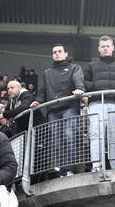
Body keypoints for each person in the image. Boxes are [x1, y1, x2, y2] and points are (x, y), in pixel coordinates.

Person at [30, 44, 85, 177]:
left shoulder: (74, 67)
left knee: (69, 137)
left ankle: (68, 169)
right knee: (57, 141)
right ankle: (62, 170)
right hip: (53, 110)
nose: (57, 54)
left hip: (69, 107)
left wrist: (79, 89)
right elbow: (42, 91)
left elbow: (79, 81)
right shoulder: (47, 72)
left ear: (66, 54)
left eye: (59, 51)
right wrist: (38, 101)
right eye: (54, 52)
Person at [83, 36, 115, 172]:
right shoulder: (91, 66)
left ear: (112, 47)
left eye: (108, 46)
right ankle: (96, 167)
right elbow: (83, 82)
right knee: (96, 136)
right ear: (99, 49)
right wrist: (97, 86)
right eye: (103, 46)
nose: (105, 48)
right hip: (96, 103)